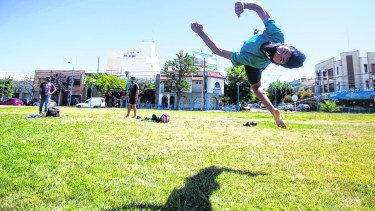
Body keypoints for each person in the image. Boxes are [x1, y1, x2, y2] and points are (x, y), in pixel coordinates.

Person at [191, 1, 306, 129]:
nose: (279, 54)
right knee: (261, 33)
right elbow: (259, 8)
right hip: (260, 40)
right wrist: (244, 4)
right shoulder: (277, 35)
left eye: (282, 60)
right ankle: (258, 32)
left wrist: (201, 33)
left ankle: (273, 110)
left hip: (255, 63)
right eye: (283, 51)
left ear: (278, 64)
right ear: (285, 45)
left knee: (256, 88)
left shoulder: (251, 60)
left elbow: (219, 51)